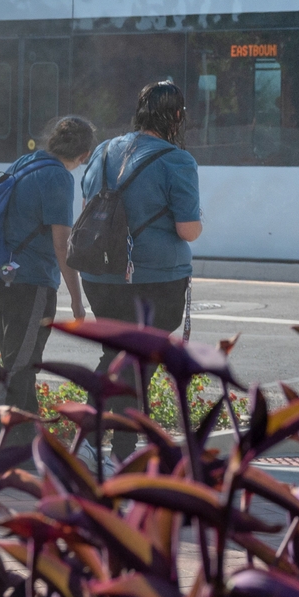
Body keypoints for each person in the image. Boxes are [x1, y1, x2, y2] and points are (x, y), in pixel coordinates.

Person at [80, 79, 203, 459]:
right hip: (155, 278)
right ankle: (123, 450)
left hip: (98, 274)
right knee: (140, 362)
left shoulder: (102, 151)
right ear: (177, 115)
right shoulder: (177, 160)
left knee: (114, 355)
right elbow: (189, 230)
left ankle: (88, 438)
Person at [0, 114, 95, 442]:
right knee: (19, 367)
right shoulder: (59, 178)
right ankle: (2, 444)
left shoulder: (26, 161)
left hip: (1, 278)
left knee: (22, 360)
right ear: (84, 155)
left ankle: (27, 441)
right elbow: (63, 245)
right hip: (31, 283)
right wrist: (76, 298)